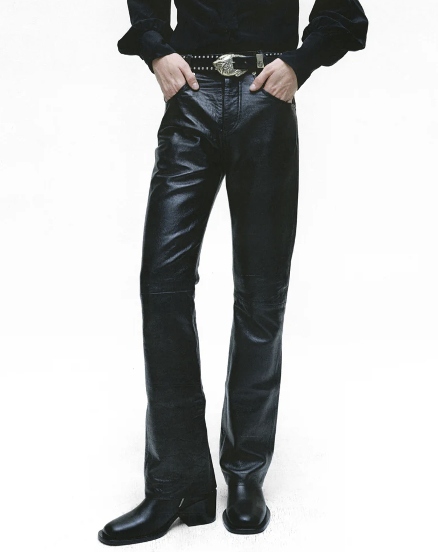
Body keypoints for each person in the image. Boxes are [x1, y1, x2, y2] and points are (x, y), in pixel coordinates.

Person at [98, 0, 368, 545]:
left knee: (261, 292)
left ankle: (245, 473)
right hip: (191, 95)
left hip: (265, 97)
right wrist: (157, 51)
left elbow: (342, 11)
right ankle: (177, 484)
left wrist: (299, 63)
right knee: (162, 284)